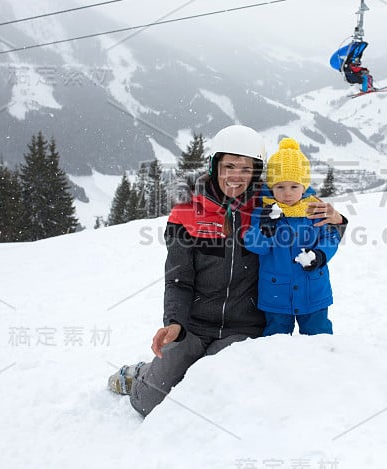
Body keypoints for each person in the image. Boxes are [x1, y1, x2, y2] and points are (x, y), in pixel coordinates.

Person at [107, 125, 347, 417]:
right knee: (146, 403)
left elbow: (307, 211)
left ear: (256, 173)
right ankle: (143, 374)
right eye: (229, 166)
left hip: (243, 327)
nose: (236, 175)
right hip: (194, 324)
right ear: (214, 166)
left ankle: (187, 368)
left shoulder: (269, 205)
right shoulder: (187, 211)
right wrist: (175, 322)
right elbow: (179, 279)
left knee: (209, 398)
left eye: (246, 169)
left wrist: (338, 219)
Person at [244, 138, 340, 336]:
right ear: (271, 187)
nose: (287, 193)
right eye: (280, 187)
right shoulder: (263, 212)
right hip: (276, 293)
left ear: (304, 186)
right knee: (276, 342)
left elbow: (331, 236)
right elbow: (255, 246)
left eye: (294, 187)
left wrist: (320, 255)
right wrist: (265, 231)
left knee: (319, 339)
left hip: (313, 289)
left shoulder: (315, 209)